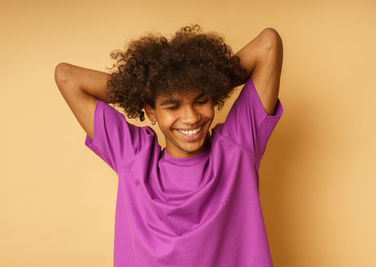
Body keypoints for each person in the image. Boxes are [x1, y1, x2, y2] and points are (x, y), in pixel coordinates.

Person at [54, 24, 284, 267]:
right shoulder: (133, 157)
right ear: (151, 112)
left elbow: (268, 44)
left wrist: (210, 80)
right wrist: (146, 90)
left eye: (201, 100)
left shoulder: (237, 146)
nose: (191, 117)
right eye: (173, 106)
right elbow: (67, 76)